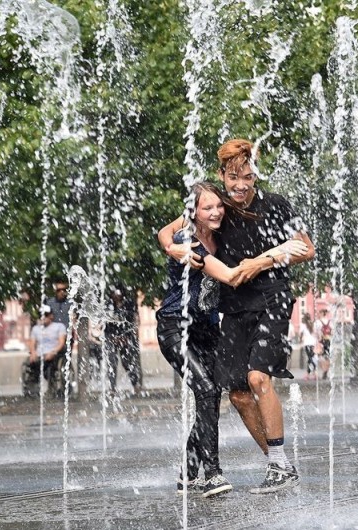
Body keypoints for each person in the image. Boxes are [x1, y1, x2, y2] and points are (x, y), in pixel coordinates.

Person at [161, 139, 315, 494]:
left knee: (259, 379)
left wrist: (263, 260)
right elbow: (170, 229)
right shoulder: (218, 207)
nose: (241, 184)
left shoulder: (276, 205)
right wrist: (172, 247)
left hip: (271, 300)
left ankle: (277, 463)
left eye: (248, 176)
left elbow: (306, 248)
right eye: (234, 177)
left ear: (256, 175)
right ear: (223, 176)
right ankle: (280, 464)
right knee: (238, 394)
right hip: (232, 308)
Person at [23, 305, 68, 398]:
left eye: (46, 315)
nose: (43, 317)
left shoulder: (59, 327)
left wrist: (53, 352)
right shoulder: (36, 328)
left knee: (51, 365)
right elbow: (32, 343)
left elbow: (61, 342)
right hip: (40, 354)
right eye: (41, 315)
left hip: (55, 353)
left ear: (51, 316)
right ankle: (32, 389)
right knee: (31, 364)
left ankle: (52, 388)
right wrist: (33, 352)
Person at [105, 288, 143, 395]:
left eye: (118, 293)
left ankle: (135, 385)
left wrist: (125, 336)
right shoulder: (109, 305)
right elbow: (106, 323)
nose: (116, 296)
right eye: (114, 294)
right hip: (111, 337)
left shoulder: (128, 305)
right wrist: (112, 337)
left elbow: (130, 323)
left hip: (125, 338)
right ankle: (112, 388)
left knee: (127, 362)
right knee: (112, 362)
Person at [299, 313, 317, 379]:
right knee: (312, 358)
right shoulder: (313, 324)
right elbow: (316, 333)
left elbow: (300, 334)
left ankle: (308, 374)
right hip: (313, 344)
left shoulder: (303, 325)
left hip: (307, 344)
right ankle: (314, 373)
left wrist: (300, 341)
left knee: (310, 359)